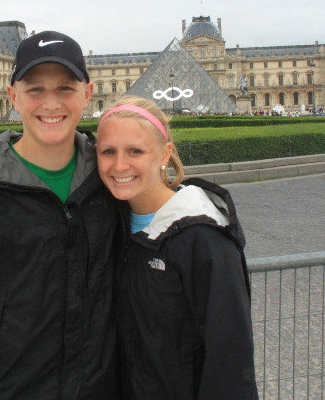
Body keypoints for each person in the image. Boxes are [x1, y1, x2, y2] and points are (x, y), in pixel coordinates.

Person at [0, 31, 123, 400]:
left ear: (87, 94)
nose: (51, 103)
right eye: (35, 89)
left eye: (65, 88)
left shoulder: (111, 177)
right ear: (12, 95)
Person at [96, 96, 258, 400]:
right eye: (108, 151)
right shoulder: (106, 227)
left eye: (135, 151)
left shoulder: (205, 241)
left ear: (165, 154)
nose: (119, 165)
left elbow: (230, 364)